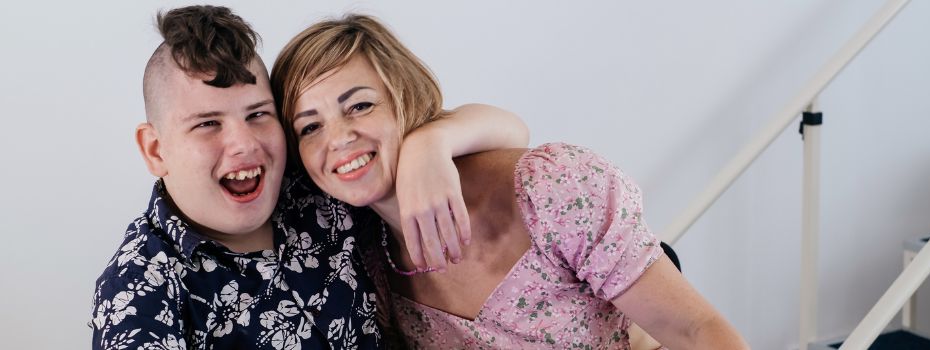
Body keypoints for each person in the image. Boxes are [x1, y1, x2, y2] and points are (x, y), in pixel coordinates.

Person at [271, 14, 749, 349]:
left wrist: (430, 142)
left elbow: (696, 330)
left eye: (360, 105)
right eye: (309, 126)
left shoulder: (551, 190)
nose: (339, 137)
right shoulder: (353, 251)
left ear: (404, 98)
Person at [89, 6, 528, 349]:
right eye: (207, 124)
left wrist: (429, 145)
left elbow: (513, 131)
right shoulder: (139, 289)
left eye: (258, 114)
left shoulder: (313, 189)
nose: (245, 145)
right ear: (155, 149)